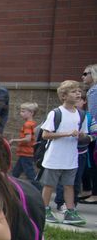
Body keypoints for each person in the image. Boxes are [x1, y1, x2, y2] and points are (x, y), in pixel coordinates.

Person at [40, 80, 89, 225]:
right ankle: (45, 209)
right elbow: (45, 135)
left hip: (71, 158)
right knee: (49, 185)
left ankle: (70, 212)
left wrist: (81, 136)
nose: (78, 94)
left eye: (79, 91)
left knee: (69, 185)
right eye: (74, 91)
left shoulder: (81, 115)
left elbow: (84, 135)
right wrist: (67, 134)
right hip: (54, 157)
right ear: (64, 96)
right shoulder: (56, 113)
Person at [9, 102, 41, 189]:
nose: (21, 113)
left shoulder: (27, 124)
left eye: (23, 111)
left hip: (26, 152)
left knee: (30, 174)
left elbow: (28, 139)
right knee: (16, 172)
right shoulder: (32, 123)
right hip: (25, 152)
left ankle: (40, 190)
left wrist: (14, 140)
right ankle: (9, 187)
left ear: (31, 113)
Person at [80, 65, 97, 204]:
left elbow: (94, 115)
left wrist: (91, 134)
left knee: (93, 162)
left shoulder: (93, 91)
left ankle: (94, 194)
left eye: (86, 74)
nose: (83, 76)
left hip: (95, 132)